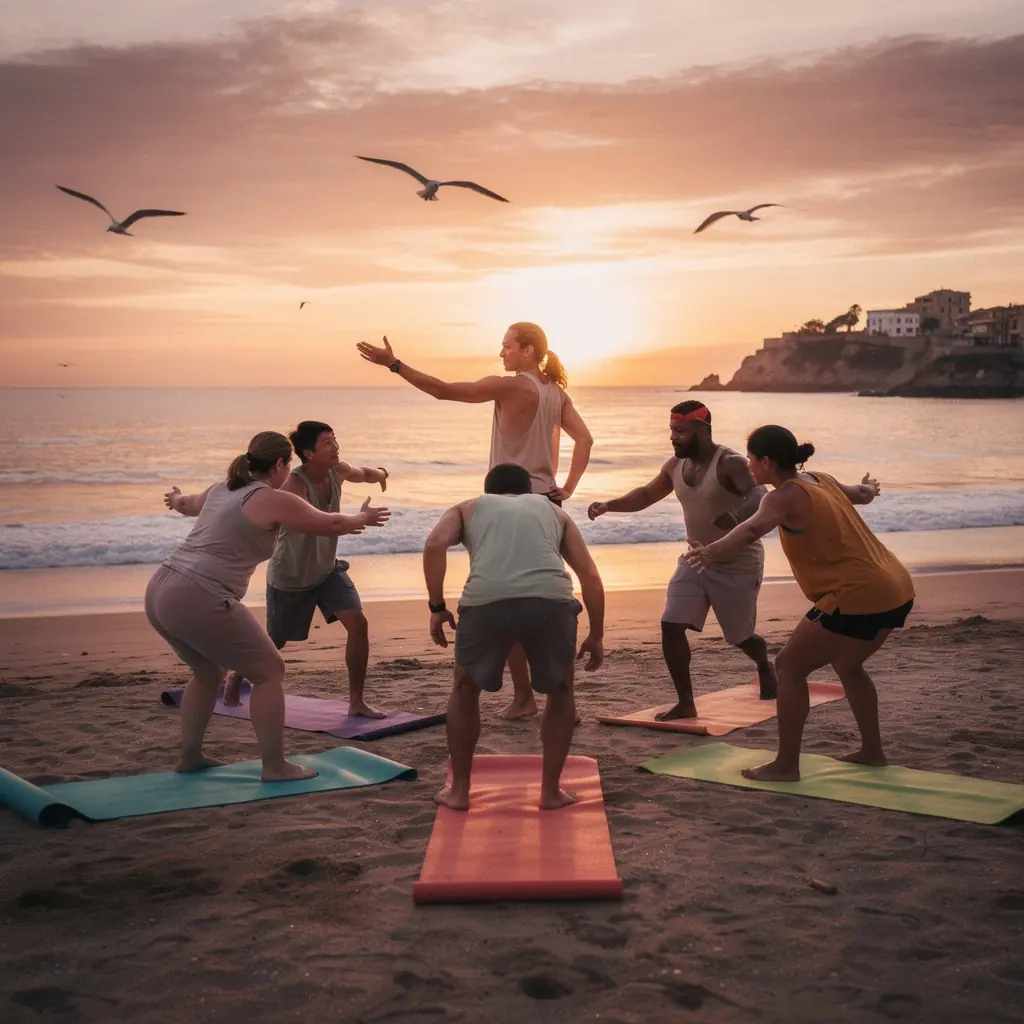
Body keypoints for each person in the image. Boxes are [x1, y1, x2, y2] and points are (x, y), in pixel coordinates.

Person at [357, 323, 594, 721]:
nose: (501, 354)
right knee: (543, 596)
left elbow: (443, 390)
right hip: (545, 505)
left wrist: (394, 364)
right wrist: (567, 488)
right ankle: (555, 696)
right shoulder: (557, 393)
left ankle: (524, 698)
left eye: (507, 347)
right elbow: (585, 440)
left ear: (529, 352)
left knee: (510, 600)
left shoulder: (512, 386)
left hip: (505, 503)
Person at [151, 431, 390, 781]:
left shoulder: (221, 489)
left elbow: (186, 505)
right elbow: (332, 523)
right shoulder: (270, 498)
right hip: (199, 593)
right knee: (269, 671)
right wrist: (362, 519)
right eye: (287, 464)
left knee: (206, 673)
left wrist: (174, 497)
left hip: (160, 589)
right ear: (279, 464)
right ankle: (275, 766)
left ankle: (190, 756)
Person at [685, 424, 914, 781]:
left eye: (750, 460)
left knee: (790, 667)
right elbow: (862, 493)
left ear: (766, 461)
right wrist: (871, 487)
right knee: (849, 666)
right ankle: (872, 752)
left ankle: (786, 765)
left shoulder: (779, 497)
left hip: (857, 593)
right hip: (895, 586)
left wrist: (711, 551)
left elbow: (750, 530)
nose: (748, 467)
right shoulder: (821, 479)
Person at [422, 462, 605, 811]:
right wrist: (596, 633)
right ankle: (550, 792)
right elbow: (589, 574)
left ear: (488, 490)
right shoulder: (553, 512)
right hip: (550, 599)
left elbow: (434, 545)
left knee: (465, 688)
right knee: (561, 690)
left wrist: (437, 606)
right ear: (528, 493)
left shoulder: (468, 507)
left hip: (486, 601)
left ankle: (459, 791)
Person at [588, 400, 775, 720]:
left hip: (738, 560)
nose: (673, 437)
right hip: (695, 559)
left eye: (680, 431)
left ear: (702, 430)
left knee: (741, 637)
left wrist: (737, 515)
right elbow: (645, 495)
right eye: (672, 430)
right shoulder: (674, 466)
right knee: (670, 625)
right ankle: (686, 702)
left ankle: (764, 665)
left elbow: (758, 494)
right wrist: (608, 505)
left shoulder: (730, 462)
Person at [223, 421, 389, 717]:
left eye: (335, 440)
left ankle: (356, 702)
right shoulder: (293, 486)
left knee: (359, 625)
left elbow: (363, 473)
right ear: (309, 453)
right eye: (327, 443)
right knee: (276, 642)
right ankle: (236, 675)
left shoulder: (338, 471)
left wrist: (381, 474)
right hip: (291, 575)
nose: (335, 447)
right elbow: (310, 524)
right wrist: (350, 522)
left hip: (327, 571)